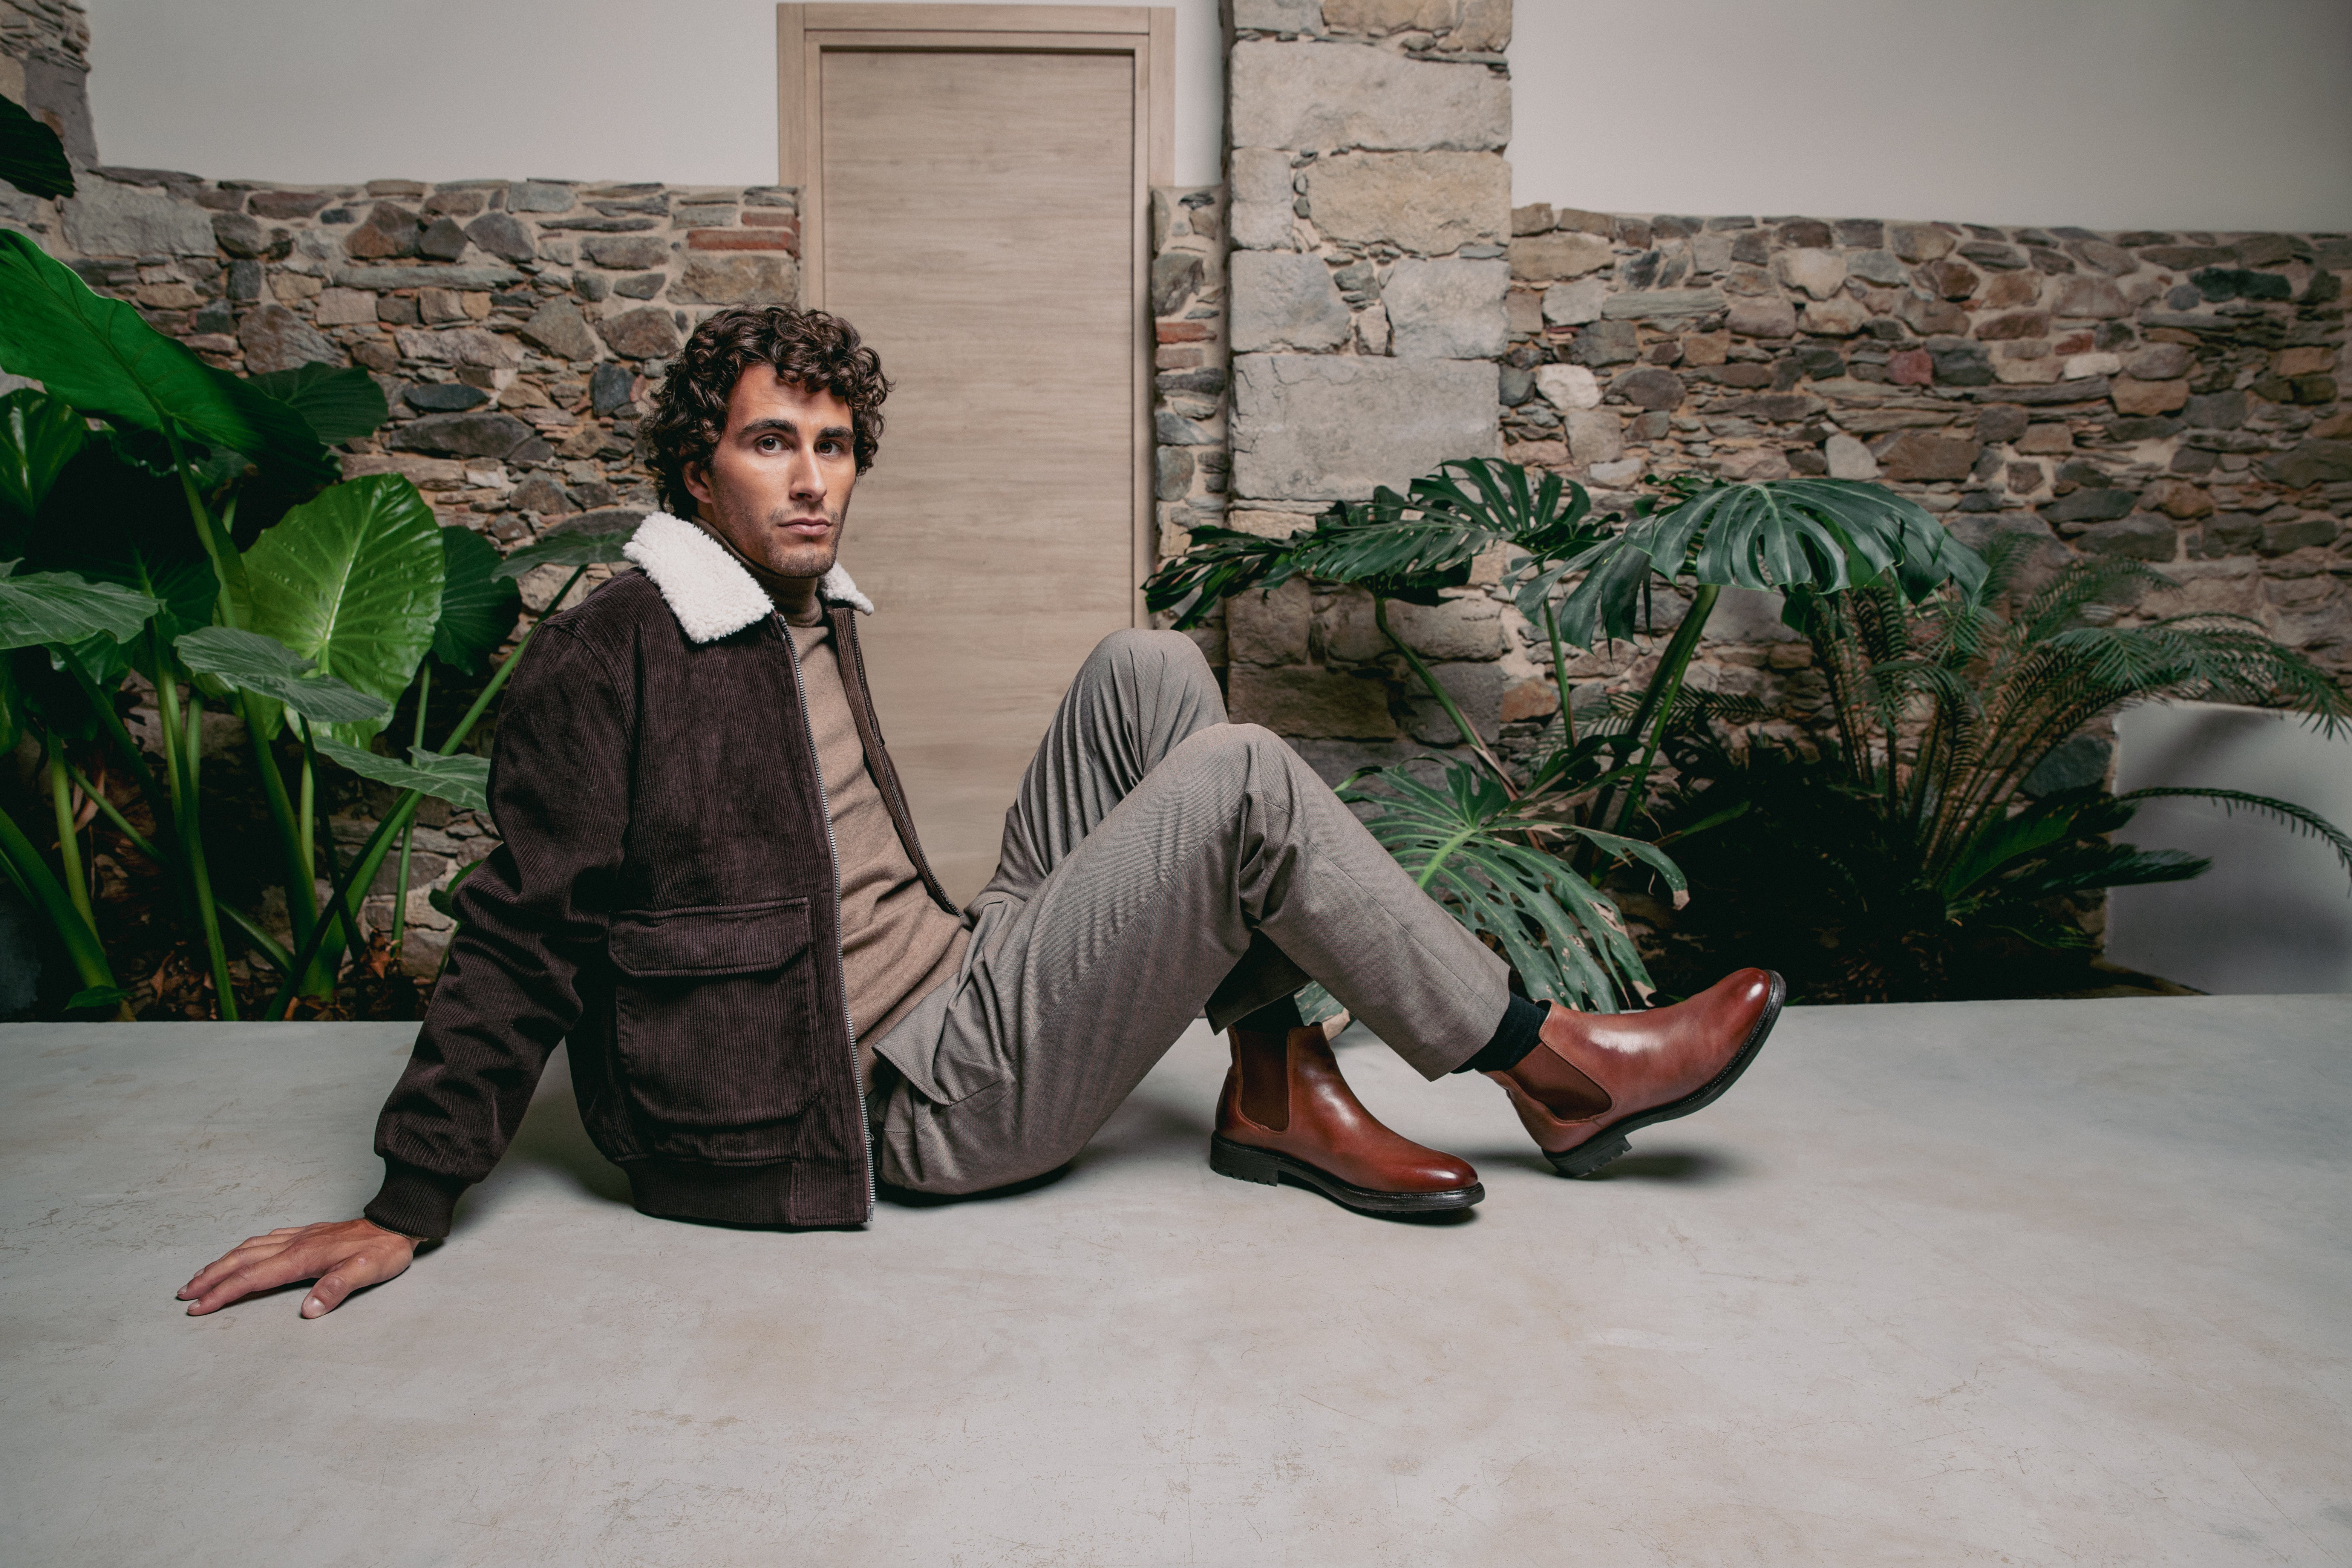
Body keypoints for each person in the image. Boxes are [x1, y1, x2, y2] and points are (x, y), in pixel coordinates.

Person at [179, 306, 1782, 1320]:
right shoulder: (618, 652)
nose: (812, 479)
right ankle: (1550, 1065)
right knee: (1240, 775)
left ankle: (1275, 1087)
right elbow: (522, 930)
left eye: (833, 448)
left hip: (961, 973)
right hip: (896, 1097)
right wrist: (407, 1202)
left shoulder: (803, 605)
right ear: (697, 466)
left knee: (1150, 668)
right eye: (770, 444)